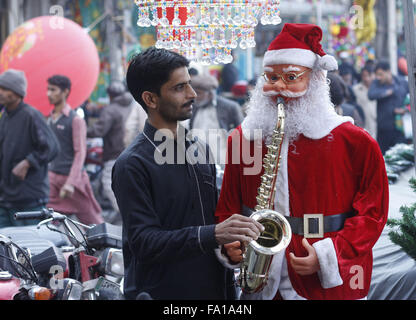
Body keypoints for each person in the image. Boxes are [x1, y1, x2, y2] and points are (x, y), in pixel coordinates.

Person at [215, 23, 389, 300]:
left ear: (316, 79)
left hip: (324, 282)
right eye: (271, 78)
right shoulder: (241, 138)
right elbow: (227, 207)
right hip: (260, 281)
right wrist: (230, 245)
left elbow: (372, 214)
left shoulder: (355, 141)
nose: (278, 88)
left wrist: (327, 255)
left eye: (291, 76)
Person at [112, 47, 264, 300]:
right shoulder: (132, 164)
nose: (192, 94)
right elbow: (144, 242)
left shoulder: (198, 147)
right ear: (150, 99)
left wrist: (229, 245)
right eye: (179, 88)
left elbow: (209, 219)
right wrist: (213, 234)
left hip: (217, 289)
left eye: (190, 85)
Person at [0, 69, 59, 227]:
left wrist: (27, 163)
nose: (1, 92)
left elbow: (51, 147)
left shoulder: (31, 116)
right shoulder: (5, 117)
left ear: (17, 93)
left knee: (30, 248)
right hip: (6, 198)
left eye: (5, 89)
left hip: (29, 200)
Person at [46, 75, 103, 225]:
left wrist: (71, 183)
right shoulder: (50, 119)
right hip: (52, 178)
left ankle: (111, 247)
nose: (49, 94)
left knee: (92, 222)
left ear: (65, 92)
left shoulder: (75, 120)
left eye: (53, 90)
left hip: (73, 179)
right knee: (51, 223)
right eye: (48, 89)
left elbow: (80, 153)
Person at [87, 81, 134, 221]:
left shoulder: (111, 109)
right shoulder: (131, 106)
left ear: (110, 95)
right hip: (129, 151)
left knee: (109, 185)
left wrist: (82, 130)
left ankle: (126, 213)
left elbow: (99, 130)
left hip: (114, 153)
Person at [188, 73, 244, 165]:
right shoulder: (193, 107)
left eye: (199, 93)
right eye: (194, 92)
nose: (195, 96)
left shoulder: (230, 107)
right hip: (198, 160)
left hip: (222, 159)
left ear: (210, 93)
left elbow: (242, 134)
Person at [368, 60, 409, 154]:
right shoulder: (376, 83)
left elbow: (411, 99)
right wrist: (388, 92)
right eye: (377, 75)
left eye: (380, 74)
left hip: (400, 129)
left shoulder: (402, 82)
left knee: (401, 158)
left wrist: (405, 110)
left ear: (388, 72)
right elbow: (371, 95)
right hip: (384, 130)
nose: (378, 77)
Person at [353, 66, 377, 138]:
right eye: (364, 76)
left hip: (376, 125)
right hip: (363, 124)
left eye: (369, 75)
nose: (366, 78)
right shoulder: (355, 89)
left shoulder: (378, 89)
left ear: (373, 75)